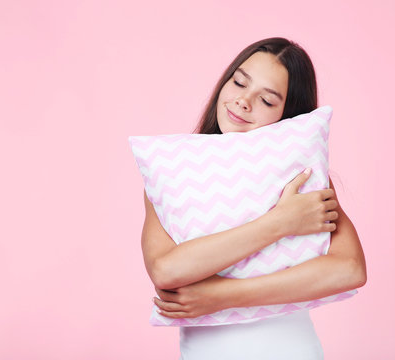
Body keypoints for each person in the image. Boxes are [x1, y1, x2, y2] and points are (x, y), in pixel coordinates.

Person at [140, 37, 367, 359]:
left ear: (289, 114)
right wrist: (280, 222)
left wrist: (223, 296)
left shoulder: (301, 175)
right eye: (239, 82)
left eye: (267, 100)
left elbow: (349, 269)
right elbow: (165, 271)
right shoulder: (173, 172)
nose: (243, 101)